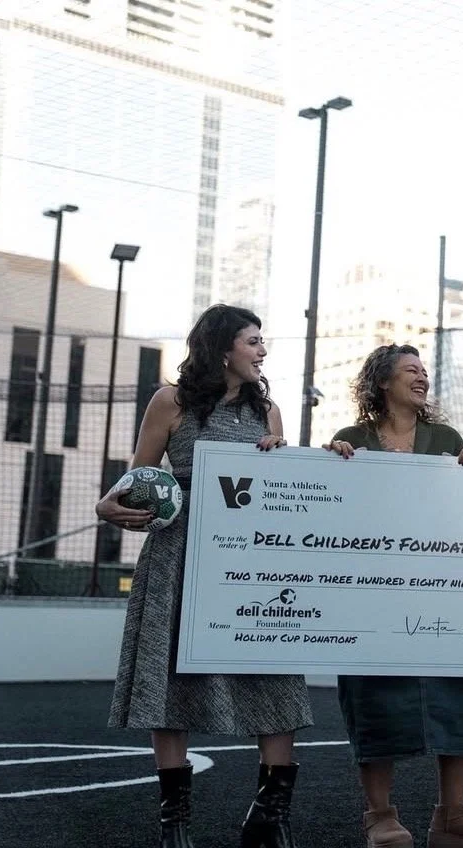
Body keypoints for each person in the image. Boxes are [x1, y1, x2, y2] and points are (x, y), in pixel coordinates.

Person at [99, 304, 313, 848]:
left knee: (273, 671)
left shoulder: (270, 412)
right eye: (253, 340)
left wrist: (277, 458)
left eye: (263, 341)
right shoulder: (169, 401)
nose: (263, 350)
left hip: (252, 557)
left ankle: (271, 816)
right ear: (223, 348)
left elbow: (283, 495)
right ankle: (175, 825)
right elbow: (141, 476)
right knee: (168, 678)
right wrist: (109, 502)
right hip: (179, 550)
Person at [324, 343, 463, 848]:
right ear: (383, 382)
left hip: (443, 592)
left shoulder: (446, 438)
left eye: (425, 371)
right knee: (371, 695)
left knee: (458, 689)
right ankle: (380, 817)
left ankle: (453, 816)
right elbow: (331, 509)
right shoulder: (350, 440)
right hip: (372, 595)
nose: (422, 378)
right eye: (411, 371)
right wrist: (330, 466)